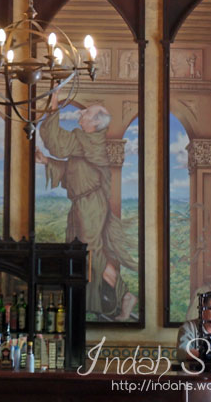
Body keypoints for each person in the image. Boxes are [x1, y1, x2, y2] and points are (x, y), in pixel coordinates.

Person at [35, 95, 137, 321]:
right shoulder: (86, 143)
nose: (81, 113)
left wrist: (53, 108)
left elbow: (56, 143)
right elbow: (75, 170)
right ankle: (91, 300)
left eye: (87, 112)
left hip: (90, 204)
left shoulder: (87, 140)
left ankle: (125, 295)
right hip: (84, 203)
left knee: (90, 251)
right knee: (83, 251)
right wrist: (47, 162)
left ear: (96, 123)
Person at [177, 292, 211, 364]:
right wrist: (208, 355)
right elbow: (182, 352)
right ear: (203, 310)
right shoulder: (189, 327)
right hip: (196, 370)